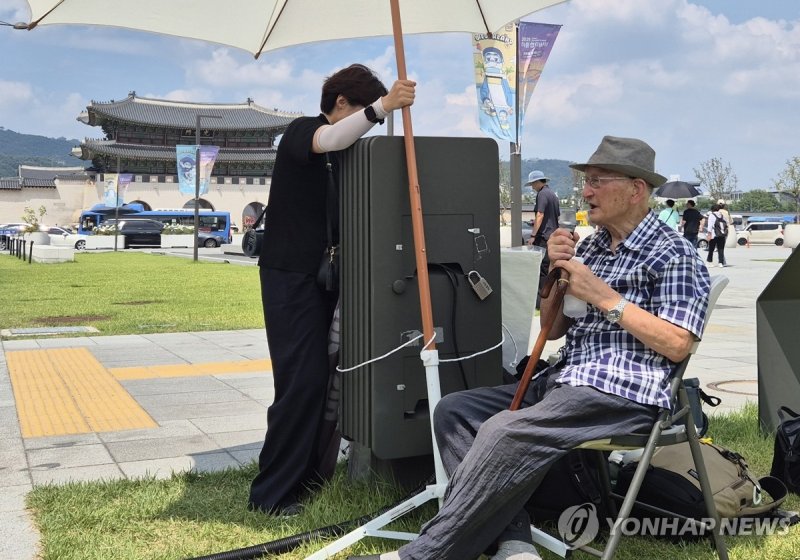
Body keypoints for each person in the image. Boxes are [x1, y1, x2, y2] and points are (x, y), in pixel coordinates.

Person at [348, 135, 710, 560]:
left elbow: (677, 344)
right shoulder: (590, 246)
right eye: (585, 182)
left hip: (623, 390)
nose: (586, 192)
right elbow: (554, 329)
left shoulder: (675, 254)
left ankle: (425, 555)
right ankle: (515, 544)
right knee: (455, 411)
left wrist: (604, 297)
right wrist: (552, 271)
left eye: (597, 181)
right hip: (566, 379)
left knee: (504, 429)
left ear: (636, 189)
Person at [250, 64, 416, 516]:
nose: (366, 122)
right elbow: (332, 138)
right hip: (291, 276)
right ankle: (273, 493)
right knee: (299, 382)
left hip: (326, 279)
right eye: (361, 110)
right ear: (341, 103)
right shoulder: (305, 131)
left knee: (324, 383)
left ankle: (307, 478)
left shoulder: (346, 154)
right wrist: (384, 108)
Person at [525, 170, 560, 308]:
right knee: (551, 269)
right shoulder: (552, 195)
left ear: (538, 182)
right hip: (552, 235)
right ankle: (552, 299)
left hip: (544, 237)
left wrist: (533, 236)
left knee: (543, 270)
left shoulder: (542, 194)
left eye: (533, 184)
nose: (532, 187)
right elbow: (554, 217)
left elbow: (540, 214)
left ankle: (542, 302)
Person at [706, 203, 728, 268]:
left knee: (711, 249)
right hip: (722, 234)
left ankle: (709, 262)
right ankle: (720, 263)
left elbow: (710, 225)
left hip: (714, 234)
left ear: (712, 209)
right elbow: (726, 224)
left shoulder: (712, 215)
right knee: (721, 249)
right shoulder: (722, 215)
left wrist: (708, 234)